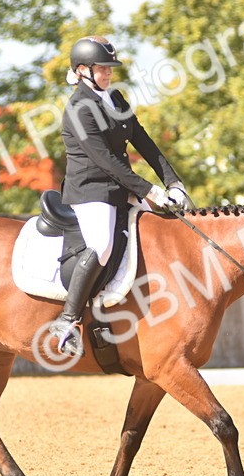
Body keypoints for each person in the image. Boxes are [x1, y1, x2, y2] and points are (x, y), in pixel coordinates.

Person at [49, 35, 185, 355]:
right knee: (103, 244)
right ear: (82, 70)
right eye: (102, 69)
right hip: (91, 190)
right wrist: (150, 190)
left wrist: (173, 182)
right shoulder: (78, 108)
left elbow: (144, 142)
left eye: (111, 69)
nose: (109, 74)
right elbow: (105, 161)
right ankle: (66, 321)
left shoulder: (116, 99)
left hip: (121, 187)